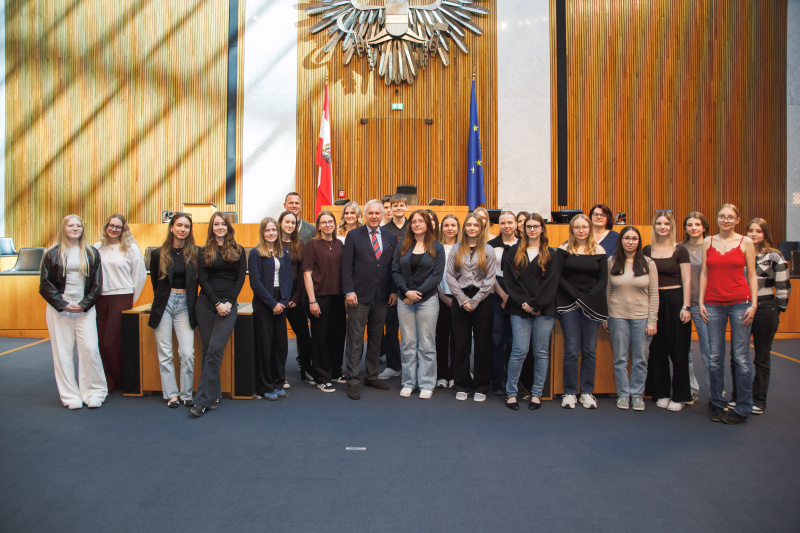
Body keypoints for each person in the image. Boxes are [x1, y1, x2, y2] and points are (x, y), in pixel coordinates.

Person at [699, 204, 759, 424]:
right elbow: (704, 273)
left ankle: (743, 407)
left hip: (740, 303)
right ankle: (716, 402)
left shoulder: (746, 242)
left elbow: (752, 275)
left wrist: (753, 304)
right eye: (722, 216)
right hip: (713, 304)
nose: (725, 220)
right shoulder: (708, 241)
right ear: (716, 219)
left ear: (737, 220)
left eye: (730, 217)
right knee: (714, 357)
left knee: (741, 357)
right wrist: (701, 301)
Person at [39, 214, 106, 409]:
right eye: (71, 225)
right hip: (59, 310)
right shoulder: (52, 254)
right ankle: (70, 396)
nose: (75, 228)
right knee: (63, 352)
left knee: (91, 349)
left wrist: (84, 304)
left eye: (79, 225)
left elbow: (97, 284)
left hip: (84, 309)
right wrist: (62, 304)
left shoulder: (92, 252)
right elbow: (45, 284)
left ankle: (94, 391)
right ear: (64, 228)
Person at [191, 212, 247, 417]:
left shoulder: (238, 250)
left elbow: (240, 279)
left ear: (229, 227)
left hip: (229, 304)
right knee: (207, 351)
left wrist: (228, 303)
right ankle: (214, 395)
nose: (220, 227)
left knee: (215, 349)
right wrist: (216, 303)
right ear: (212, 227)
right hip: (206, 303)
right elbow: (202, 280)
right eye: (216, 224)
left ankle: (202, 400)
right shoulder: (204, 251)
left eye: (223, 224)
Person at [503, 213, 560, 410]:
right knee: (519, 351)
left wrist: (536, 304)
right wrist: (525, 303)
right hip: (520, 309)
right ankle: (511, 393)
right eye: (529, 226)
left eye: (536, 226)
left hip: (544, 310)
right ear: (523, 229)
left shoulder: (552, 253)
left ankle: (536, 394)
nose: (532, 229)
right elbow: (511, 281)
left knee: (541, 352)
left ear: (542, 228)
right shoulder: (513, 251)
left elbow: (551, 284)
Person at [341, 199, 397, 400]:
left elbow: (392, 267)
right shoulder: (354, 235)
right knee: (355, 339)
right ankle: (353, 380)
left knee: (376, 338)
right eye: (370, 213)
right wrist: (349, 291)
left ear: (383, 215)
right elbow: (346, 266)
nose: (374, 216)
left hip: (382, 296)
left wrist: (393, 290)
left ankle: (372, 376)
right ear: (364, 215)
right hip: (358, 296)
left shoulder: (391, 237)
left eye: (377, 213)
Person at [556, 214, 608, 409]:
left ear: (590, 229)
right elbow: (558, 277)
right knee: (570, 349)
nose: (581, 230)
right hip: (568, 304)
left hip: (592, 305)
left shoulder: (600, 250)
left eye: (584, 227)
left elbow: (603, 280)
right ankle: (569, 392)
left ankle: (587, 392)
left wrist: (587, 298)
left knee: (589, 350)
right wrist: (576, 297)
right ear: (572, 229)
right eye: (577, 227)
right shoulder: (563, 250)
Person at [393, 210, 445, 399]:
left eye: (420, 221)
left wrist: (417, 294)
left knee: (426, 343)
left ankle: (426, 383)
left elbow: (436, 276)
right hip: (404, 300)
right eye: (413, 221)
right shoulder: (402, 246)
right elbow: (395, 271)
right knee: (407, 343)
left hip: (427, 301)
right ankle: (408, 382)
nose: (416, 224)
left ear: (427, 224)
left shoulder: (437, 247)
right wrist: (406, 291)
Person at [604, 226, 658, 411]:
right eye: (626, 238)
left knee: (640, 359)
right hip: (617, 317)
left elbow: (654, 294)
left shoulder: (648, 263)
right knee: (619, 358)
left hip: (641, 317)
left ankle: (637, 395)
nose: (630, 241)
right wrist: (606, 316)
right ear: (621, 241)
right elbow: (608, 290)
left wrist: (652, 320)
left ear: (639, 241)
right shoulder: (612, 261)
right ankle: (623, 395)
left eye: (634, 238)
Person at [643, 211, 693, 411]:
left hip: (676, 300)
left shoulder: (680, 250)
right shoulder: (647, 250)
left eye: (666, 224)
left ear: (671, 227)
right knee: (657, 350)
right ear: (654, 226)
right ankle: (661, 392)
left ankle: (680, 395)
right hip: (654, 301)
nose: (662, 227)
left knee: (679, 351)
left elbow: (687, 279)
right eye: (658, 223)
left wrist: (686, 306)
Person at [148, 213, 199, 408]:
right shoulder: (158, 254)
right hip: (165, 304)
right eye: (179, 225)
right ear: (171, 227)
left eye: (186, 226)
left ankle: (186, 394)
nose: (182, 229)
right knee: (166, 353)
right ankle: (171, 395)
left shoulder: (196, 253)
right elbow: (156, 283)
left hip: (186, 304)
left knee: (187, 353)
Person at [446, 212, 497, 402]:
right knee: (461, 343)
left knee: (482, 345)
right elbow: (450, 275)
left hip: (482, 300)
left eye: (476, 225)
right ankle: (462, 384)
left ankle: (481, 387)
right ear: (464, 227)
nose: (472, 228)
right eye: (469, 225)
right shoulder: (456, 249)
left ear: (481, 228)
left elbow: (490, 279)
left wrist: (475, 301)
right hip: (460, 299)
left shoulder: (489, 250)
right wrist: (461, 299)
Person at [93, 213, 146, 393]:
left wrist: (131, 298)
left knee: (111, 342)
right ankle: (108, 381)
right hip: (100, 298)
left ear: (123, 230)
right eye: (111, 225)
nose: (114, 229)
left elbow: (139, 276)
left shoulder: (130, 248)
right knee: (100, 342)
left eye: (118, 226)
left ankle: (122, 380)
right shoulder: (97, 247)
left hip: (122, 296)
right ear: (106, 227)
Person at [746, 218, 791, 415]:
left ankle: (759, 399)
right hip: (743, 307)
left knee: (762, 357)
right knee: (738, 357)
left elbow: (783, 287)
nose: (754, 234)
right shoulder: (741, 253)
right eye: (750, 231)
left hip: (765, 308)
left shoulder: (774, 256)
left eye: (758, 231)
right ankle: (739, 395)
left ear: (765, 234)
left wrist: (778, 309)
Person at [303, 210, 346, 393]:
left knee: (337, 336)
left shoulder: (339, 244)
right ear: (318, 225)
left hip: (338, 297)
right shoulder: (312, 244)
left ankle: (335, 371)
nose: (328, 225)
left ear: (335, 224)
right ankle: (322, 376)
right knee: (321, 337)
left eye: (331, 222)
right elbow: (307, 273)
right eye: (324, 222)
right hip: (319, 297)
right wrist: (312, 300)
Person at [249, 218, 292, 401]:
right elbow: (255, 283)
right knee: (265, 345)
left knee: (280, 344)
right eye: (267, 230)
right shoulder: (255, 253)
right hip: (263, 303)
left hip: (280, 301)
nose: (271, 233)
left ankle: (278, 381)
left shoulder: (284, 254)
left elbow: (289, 279)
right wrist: (272, 304)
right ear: (262, 232)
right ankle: (265, 386)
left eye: (274, 229)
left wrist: (282, 301)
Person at [279, 210, 313, 384]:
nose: (290, 225)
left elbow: (302, 273)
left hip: (294, 295)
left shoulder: (299, 244)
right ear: (280, 223)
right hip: (277, 295)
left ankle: (307, 370)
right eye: (287, 222)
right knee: (279, 338)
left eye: (293, 223)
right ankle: (278, 375)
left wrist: (297, 296)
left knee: (304, 334)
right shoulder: (273, 243)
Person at [378, 193, 408, 380]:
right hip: (391, 288)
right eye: (394, 205)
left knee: (412, 332)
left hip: (412, 286)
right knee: (391, 329)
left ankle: (412, 364)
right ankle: (393, 365)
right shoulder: (385, 230)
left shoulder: (413, 227)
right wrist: (393, 289)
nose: (397, 208)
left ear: (406, 207)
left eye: (401, 205)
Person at [487, 211, 518, 395]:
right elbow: (488, 274)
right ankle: (497, 378)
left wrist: (513, 296)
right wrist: (503, 295)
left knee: (513, 339)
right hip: (496, 291)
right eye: (503, 223)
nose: (506, 226)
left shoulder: (523, 244)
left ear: (515, 224)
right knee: (496, 337)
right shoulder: (491, 246)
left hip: (518, 292)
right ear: (498, 225)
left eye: (510, 222)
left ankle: (512, 378)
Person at [682, 212, 711, 400]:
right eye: (690, 225)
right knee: (685, 353)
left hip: (706, 305)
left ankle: (718, 390)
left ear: (704, 227)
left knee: (710, 352)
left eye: (697, 224)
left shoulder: (711, 247)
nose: (693, 228)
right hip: (685, 305)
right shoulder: (679, 248)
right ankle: (692, 388)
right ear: (685, 228)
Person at [435, 214, 460, 388]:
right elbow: (434, 274)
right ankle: (442, 375)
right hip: (440, 297)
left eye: (453, 225)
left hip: (460, 299)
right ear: (441, 228)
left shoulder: (463, 248)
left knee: (458, 340)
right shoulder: (437, 248)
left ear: (458, 228)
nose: (450, 228)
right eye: (446, 225)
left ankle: (454, 375)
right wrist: (443, 296)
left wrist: (458, 297)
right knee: (441, 339)